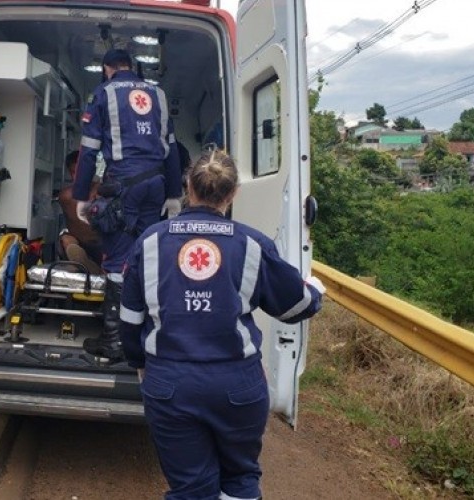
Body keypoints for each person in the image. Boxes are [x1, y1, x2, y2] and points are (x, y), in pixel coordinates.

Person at [118, 148, 326, 499]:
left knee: (190, 487)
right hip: (237, 386)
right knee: (240, 478)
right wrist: (315, 291)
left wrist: (141, 363)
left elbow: (129, 319)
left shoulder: (150, 241)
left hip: (170, 384)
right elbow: (295, 306)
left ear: (188, 186)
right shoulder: (253, 244)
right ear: (233, 193)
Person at [72, 48, 182, 360]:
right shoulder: (158, 95)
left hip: (123, 187)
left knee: (117, 259)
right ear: (131, 66)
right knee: (148, 255)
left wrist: (81, 196)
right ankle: (145, 336)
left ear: (107, 68)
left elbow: (89, 151)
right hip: (157, 185)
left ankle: (115, 341)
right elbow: (172, 150)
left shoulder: (104, 93)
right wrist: (174, 194)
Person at [57, 150, 103, 274]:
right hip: (80, 243)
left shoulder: (103, 191)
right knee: (67, 240)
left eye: (81, 172)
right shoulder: (66, 196)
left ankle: (88, 267)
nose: (76, 177)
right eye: (73, 172)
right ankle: (85, 264)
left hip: (104, 245)